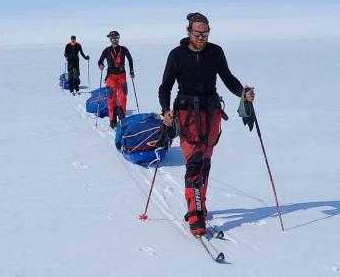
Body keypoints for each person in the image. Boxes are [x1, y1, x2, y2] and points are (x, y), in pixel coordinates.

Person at [158, 12, 255, 236]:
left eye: (206, 33)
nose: (202, 37)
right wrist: (165, 112)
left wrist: (243, 93)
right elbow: (165, 87)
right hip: (186, 115)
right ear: (188, 32)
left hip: (211, 113)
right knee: (194, 163)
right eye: (198, 33)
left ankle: (199, 203)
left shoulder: (215, 52)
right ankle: (196, 215)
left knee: (205, 163)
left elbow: (228, 78)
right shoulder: (176, 55)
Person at [98, 31, 135, 128]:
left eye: (116, 38)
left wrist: (131, 71)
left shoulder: (124, 49)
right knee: (111, 99)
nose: (114, 40)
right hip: (111, 77)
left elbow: (130, 59)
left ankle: (122, 121)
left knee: (123, 99)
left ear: (118, 38)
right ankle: (112, 120)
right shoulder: (106, 50)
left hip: (122, 77)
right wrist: (101, 65)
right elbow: (100, 60)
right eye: (112, 38)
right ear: (110, 39)